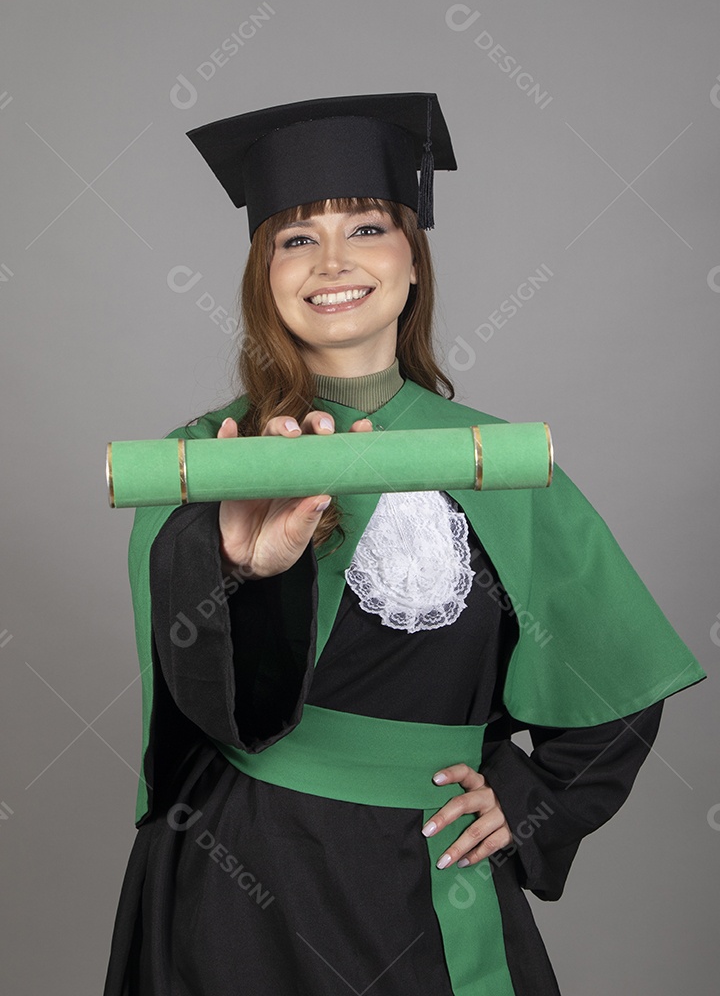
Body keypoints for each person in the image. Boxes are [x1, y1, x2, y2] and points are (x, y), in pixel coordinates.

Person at [103, 93, 706, 995]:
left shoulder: (495, 462)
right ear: (263, 274)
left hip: (429, 871)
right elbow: (197, 697)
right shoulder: (205, 460)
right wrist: (239, 568)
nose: (332, 261)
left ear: (413, 263)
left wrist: (529, 799)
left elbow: (614, 667)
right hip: (241, 876)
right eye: (296, 238)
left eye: (368, 228)